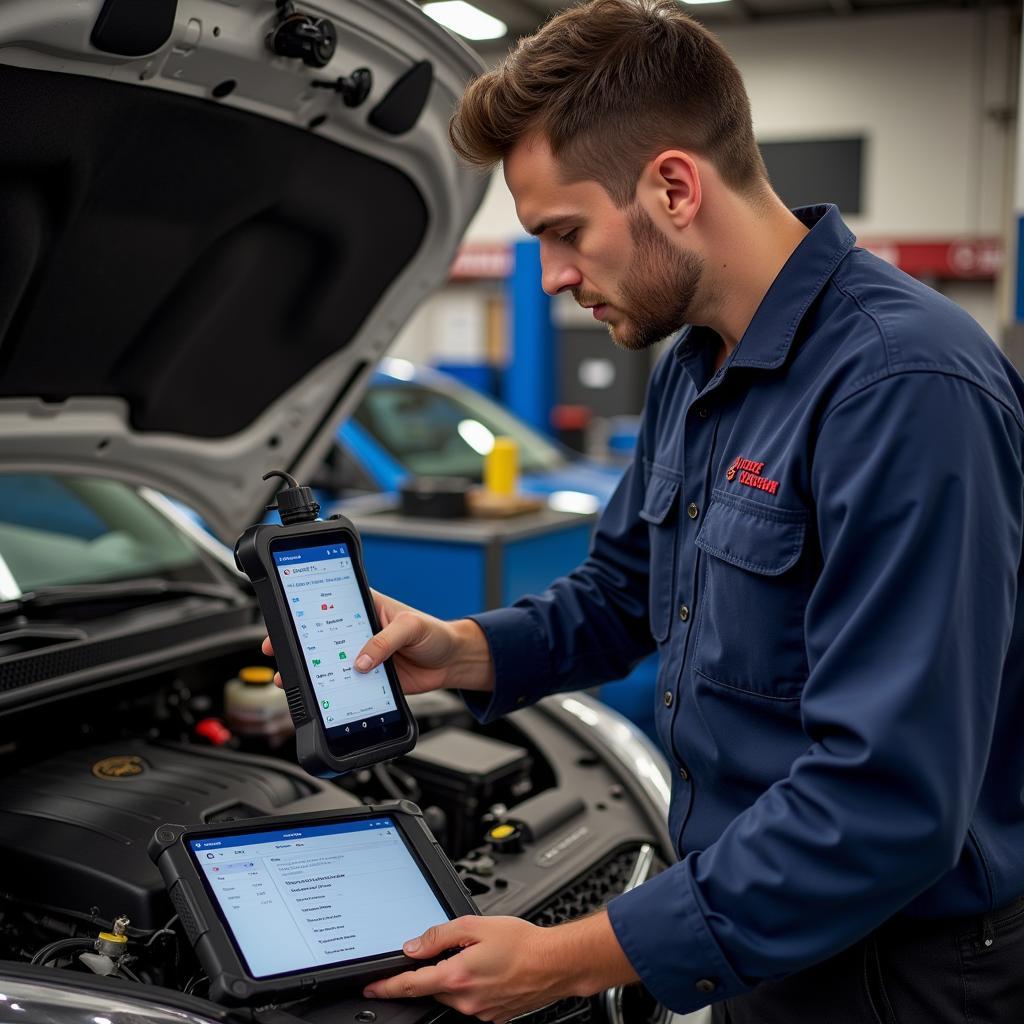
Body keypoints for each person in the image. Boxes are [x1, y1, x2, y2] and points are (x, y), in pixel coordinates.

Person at [266, 1, 1024, 1020]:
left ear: (672, 185)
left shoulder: (903, 386)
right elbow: (626, 593)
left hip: (902, 972)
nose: (555, 276)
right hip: (765, 935)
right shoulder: (695, 366)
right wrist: (461, 650)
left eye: (564, 233)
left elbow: (885, 799)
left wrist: (566, 958)